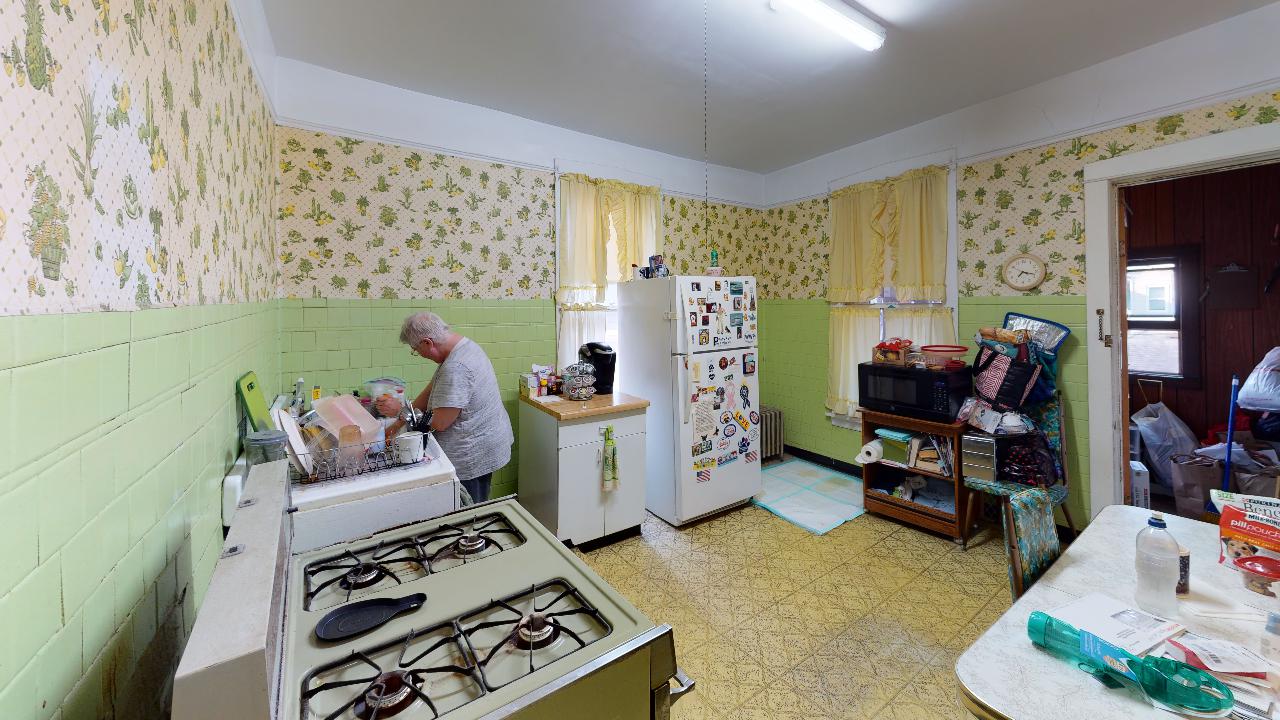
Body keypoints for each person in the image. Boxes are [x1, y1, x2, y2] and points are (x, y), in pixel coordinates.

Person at [379, 312, 512, 502]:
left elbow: (440, 422)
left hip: (471, 453)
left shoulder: (456, 367)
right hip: (485, 438)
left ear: (427, 342)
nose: (419, 354)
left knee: (469, 509)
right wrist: (394, 426)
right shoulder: (462, 347)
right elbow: (429, 392)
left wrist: (400, 410)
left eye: (415, 349)